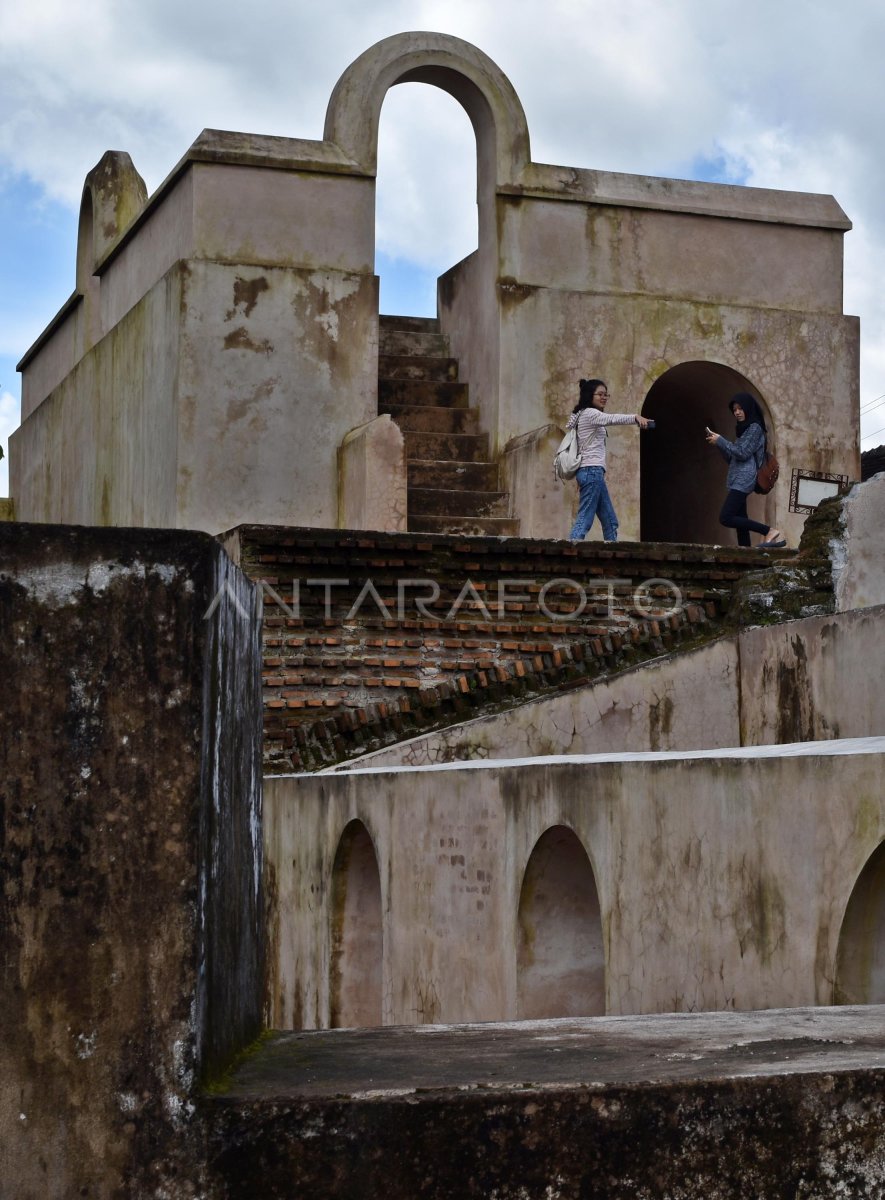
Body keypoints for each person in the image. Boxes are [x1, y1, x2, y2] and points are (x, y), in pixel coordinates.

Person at [566, 378, 649, 542]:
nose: (604, 397)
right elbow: (611, 419)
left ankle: (613, 555)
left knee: (610, 520)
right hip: (592, 471)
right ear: (590, 395)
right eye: (600, 394)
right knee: (585, 518)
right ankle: (571, 549)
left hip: (591, 472)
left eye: (606, 395)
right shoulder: (590, 413)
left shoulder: (582, 415)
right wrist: (635, 417)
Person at [706, 393, 785, 548]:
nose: (737, 412)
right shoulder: (744, 431)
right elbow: (732, 458)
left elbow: (742, 453)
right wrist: (718, 444)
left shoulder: (755, 428)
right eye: (735, 410)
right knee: (740, 519)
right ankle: (746, 551)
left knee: (726, 517)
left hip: (745, 479)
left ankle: (768, 530)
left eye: (741, 408)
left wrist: (722, 440)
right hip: (737, 478)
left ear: (749, 408)